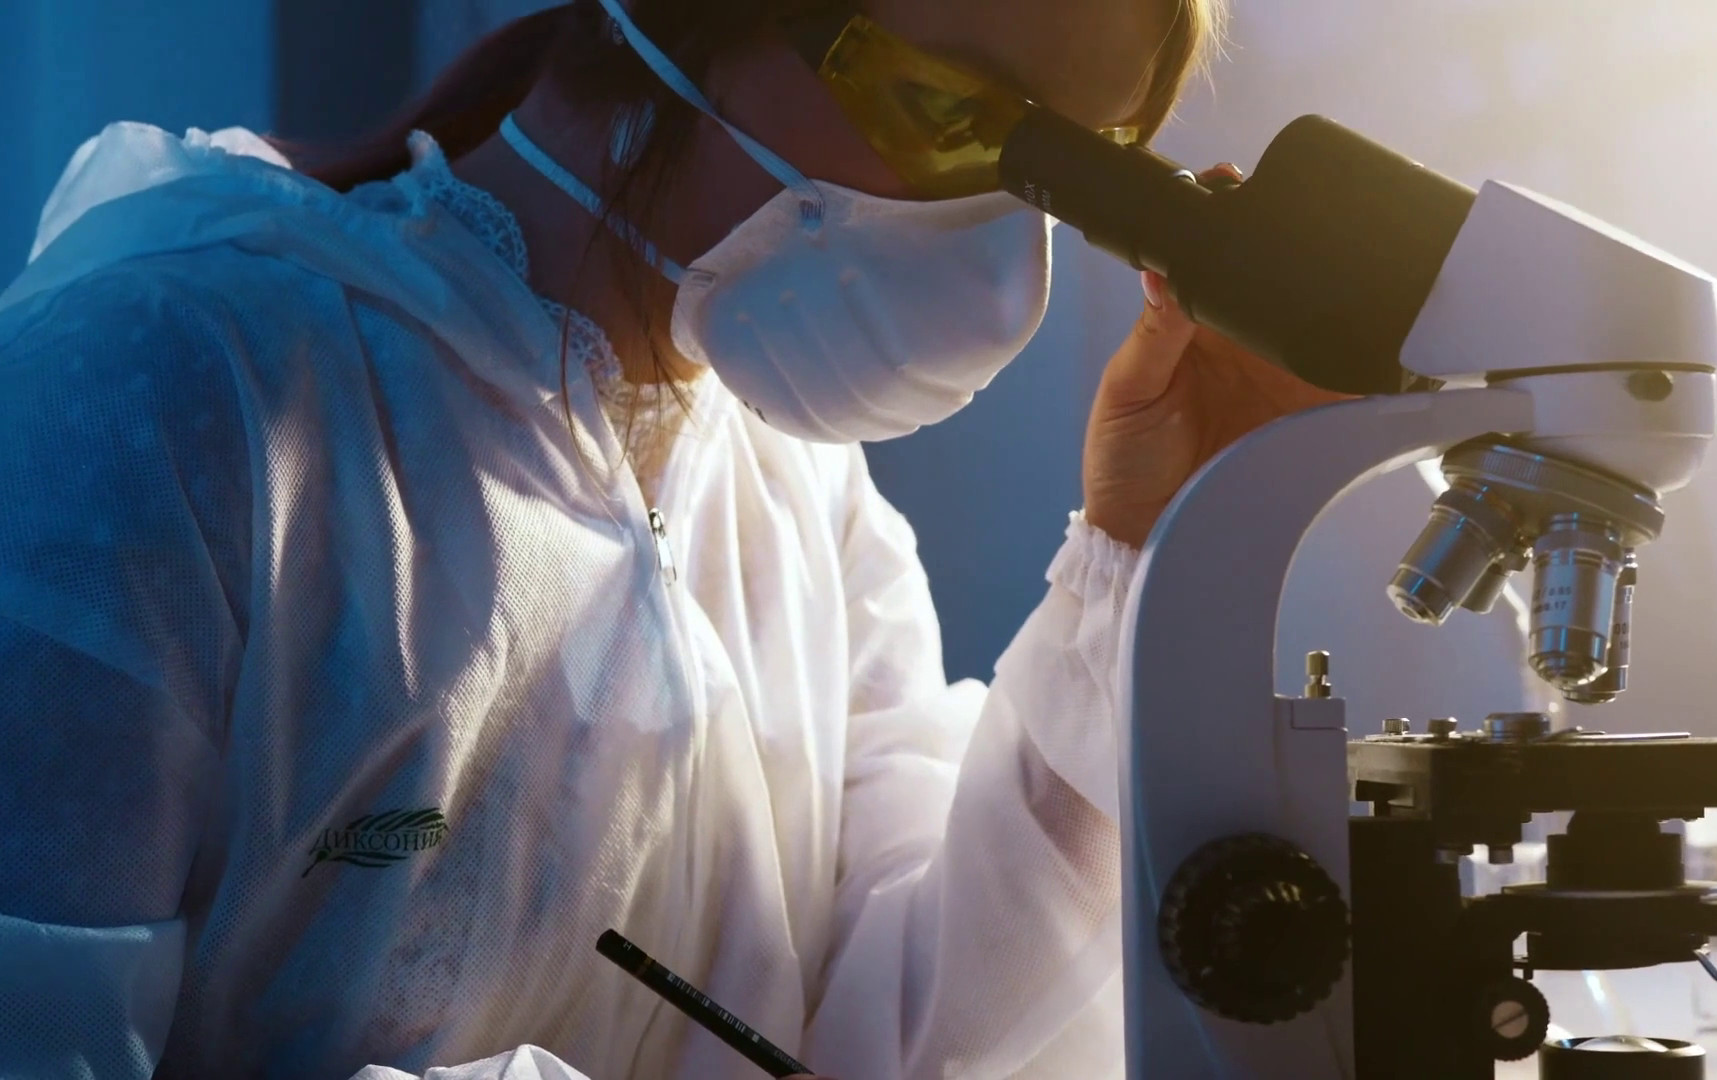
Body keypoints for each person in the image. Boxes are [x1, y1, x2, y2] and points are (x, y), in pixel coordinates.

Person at [0, 0, 1347, 1076]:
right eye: (955, 116)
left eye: (1075, 176)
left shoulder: (797, 485)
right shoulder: (158, 397)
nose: (1006, 254)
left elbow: (914, 1038)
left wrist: (1138, 545)